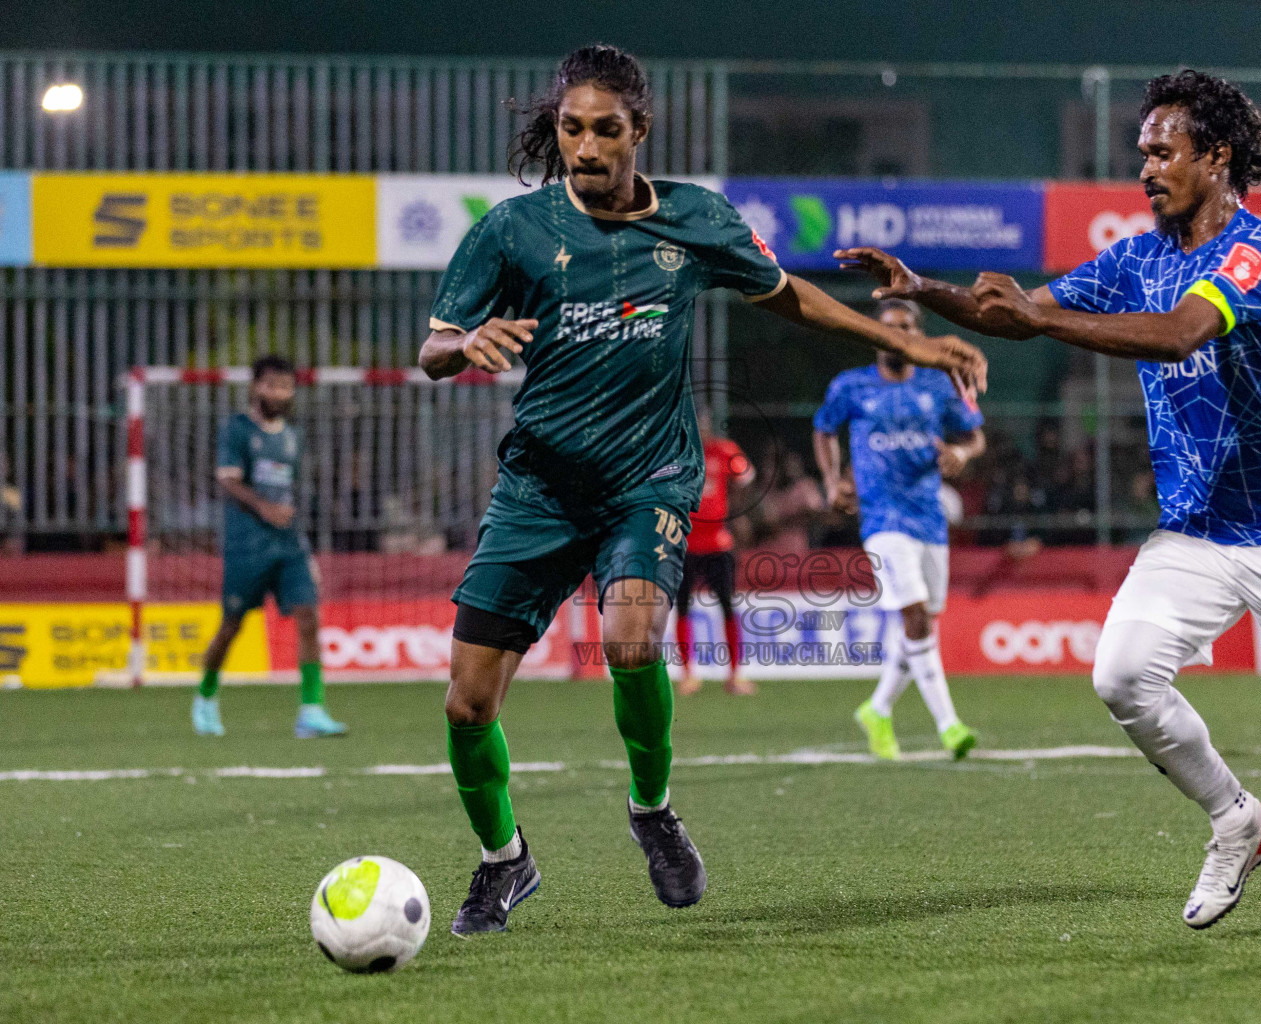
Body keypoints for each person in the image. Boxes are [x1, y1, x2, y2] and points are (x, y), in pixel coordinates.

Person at [838, 69, 1261, 935]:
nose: (1144, 166)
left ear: (1215, 159)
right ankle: (1237, 818)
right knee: (1121, 674)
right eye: (1140, 150)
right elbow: (1021, 310)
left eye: (1161, 149)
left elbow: (1179, 332)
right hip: (1197, 533)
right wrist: (922, 290)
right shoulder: (1135, 256)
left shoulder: (1259, 252)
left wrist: (1039, 321)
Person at [417, 44, 984, 937]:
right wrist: (464, 345)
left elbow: (787, 293)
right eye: (572, 130)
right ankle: (504, 862)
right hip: (538, 489)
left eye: (607, 131)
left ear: (640, 130)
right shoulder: (512, 231)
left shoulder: (694, 219)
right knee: (467, 703)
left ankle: (653, 811)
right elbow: (435, 345)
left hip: (649, 482)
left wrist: (909, 344)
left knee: (633, 639)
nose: (587, 149)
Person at [812, 298, 986, 762]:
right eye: (888, 327)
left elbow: (974, 435)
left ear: (917, 333)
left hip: (928, 516)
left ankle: (878, 707)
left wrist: (963, 455)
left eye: (905, 327)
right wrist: (832, 481)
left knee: (921, 622)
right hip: (882, 518)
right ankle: (949, 726)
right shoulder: (852, 386)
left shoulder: (938, 384)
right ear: (876, 334)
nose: (896, 335)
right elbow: (824, 429)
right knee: (914, 617)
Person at [193, 354, 347, 740]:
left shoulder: (294, 437)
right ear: (255, 386)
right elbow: (227, 480)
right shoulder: (237, 430)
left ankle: (311, 711)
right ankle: (206, 695)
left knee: (309, 616)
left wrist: (306, 551)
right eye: (273, 385)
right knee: (232, 625)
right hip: (247, 546)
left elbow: (289, 495)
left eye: (287, 386)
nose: (280, 393)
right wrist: (265, 508)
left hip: (289, 545)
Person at [676, 408, 756, 697]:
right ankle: (688, 674)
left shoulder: (724, 450)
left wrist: (734, 510)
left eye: (704, 423)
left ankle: (735, 675)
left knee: (727, 605)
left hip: (718, 542)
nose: (701, 428)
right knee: (683, 606)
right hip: (685, 542)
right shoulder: (679, 452)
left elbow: (746, 477)